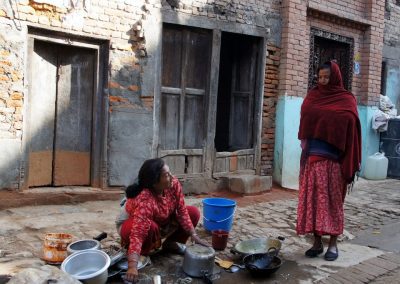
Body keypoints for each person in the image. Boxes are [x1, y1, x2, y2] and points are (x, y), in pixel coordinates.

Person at [297, 61, 361, 261]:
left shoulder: (346, 99)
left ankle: (332, 243)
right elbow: (305, 115)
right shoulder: (313, 96)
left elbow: (351, 124)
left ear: (335, 77)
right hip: (312, 160)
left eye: (327, 77)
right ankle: (316, 242)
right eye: (320, 77)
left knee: (333, 203)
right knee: (314, 202)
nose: (323, 81)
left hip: (334, 163)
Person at [116, 158, 209, 283]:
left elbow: (181, 210)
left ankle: (171, 244)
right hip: (130, 224)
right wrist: (132, 266)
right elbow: (138, 234)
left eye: (170, 173)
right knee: (149, 227)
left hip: (158, 219)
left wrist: (194, 235)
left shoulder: (173, 183)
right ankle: (143, 255)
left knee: (193, 212)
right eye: (166, 175)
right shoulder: (145, 199)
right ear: (154, 182)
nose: (171, 177)